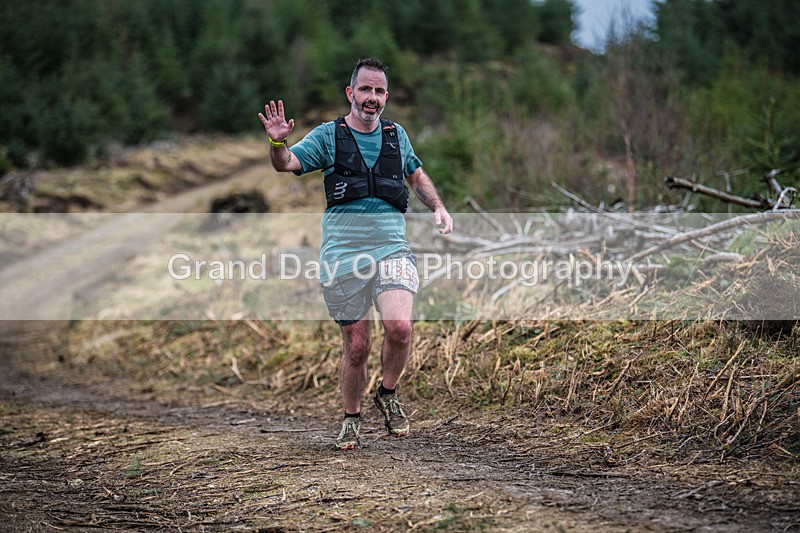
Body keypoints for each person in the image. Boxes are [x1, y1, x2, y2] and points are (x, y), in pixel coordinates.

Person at [259, 57, 453, 450]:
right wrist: (278, 142)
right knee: (358, 345)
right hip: (343, 256)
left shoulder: (396, 135)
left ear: (386, 97)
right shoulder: (329, 136)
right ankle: (351, 417)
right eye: (365, 89)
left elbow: (415, 174)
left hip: (392, 249)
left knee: (400, 327)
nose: (372, 97)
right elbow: (287, 163)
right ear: (351, 93)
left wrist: (438, 206)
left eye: (379, 91)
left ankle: (387, 393)